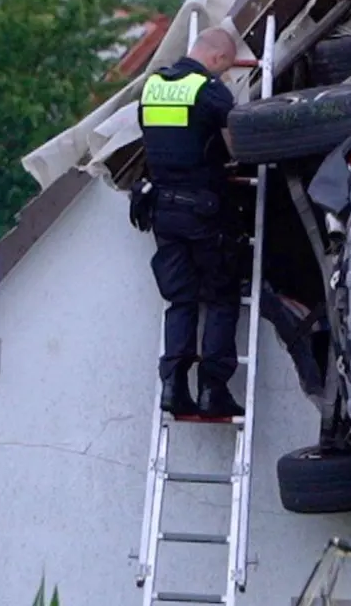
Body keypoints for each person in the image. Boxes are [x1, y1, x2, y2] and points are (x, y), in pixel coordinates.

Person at [137, 27, 245, 419]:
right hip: (204, 210)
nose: (224, 76)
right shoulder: (209, 90)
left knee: (180, 299)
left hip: (162, 210)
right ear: (217, 59)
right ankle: (213, 390)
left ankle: (173, 386)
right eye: (226, 68)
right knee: (220, 297)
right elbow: (237, 144)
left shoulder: (152, 87)